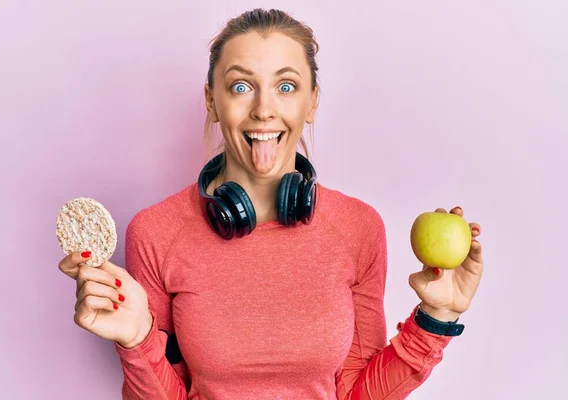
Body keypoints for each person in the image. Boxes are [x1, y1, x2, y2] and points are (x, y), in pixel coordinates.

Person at [58, 8, 484, 400]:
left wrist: (437, 315)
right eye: (241, 86)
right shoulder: (155, 232)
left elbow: (358, 392)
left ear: (312, 101)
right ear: (211, 99)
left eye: (286, 86)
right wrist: (137, 340)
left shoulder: (358, 227)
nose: (264, 109)